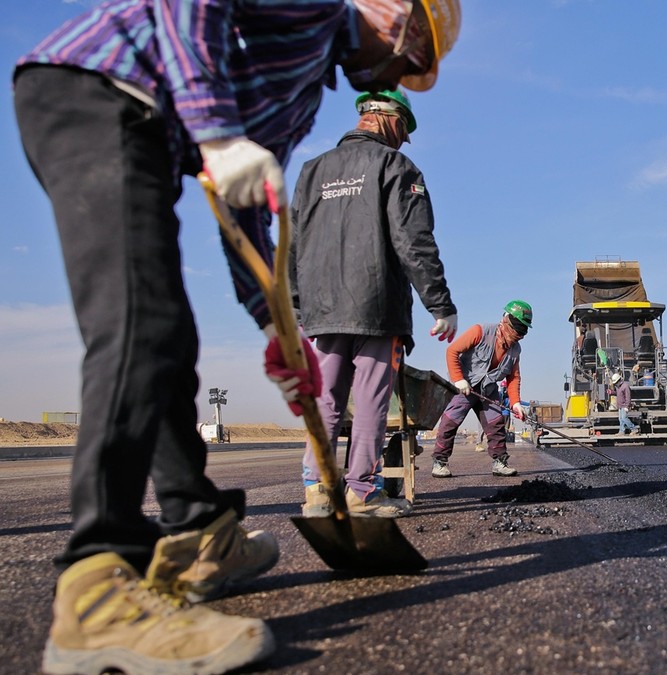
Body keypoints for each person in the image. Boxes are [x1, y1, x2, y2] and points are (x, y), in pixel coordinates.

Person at [12, 0, 460, 672]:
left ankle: (197, 531)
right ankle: (96, 593)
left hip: (147, 127)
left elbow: (246, 198)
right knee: (141, 327)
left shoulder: (307, 88)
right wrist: (218, 134)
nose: (398, 69)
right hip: (98, 89)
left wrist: (273, 323)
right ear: (395, 15)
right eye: (412, 53)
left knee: (169, 339)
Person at [290, 88, 457, 519]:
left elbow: (292, 244)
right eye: (404, 129)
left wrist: (296, 304)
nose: (404, 140)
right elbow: (413, 241)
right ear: (388, 118)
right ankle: (361, 492)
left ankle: (317, 491)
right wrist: (439, 304)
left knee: (325, 398)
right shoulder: (395, 166)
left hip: (322, 310)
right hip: (376, 306)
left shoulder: (311, 171)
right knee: (370, 401)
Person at [431, 301, 533, 478]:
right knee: (450, 422)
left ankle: (500, 463)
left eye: (522, 331)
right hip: (465, 386)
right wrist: (458, 379)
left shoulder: (516, 349)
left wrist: (516, 403)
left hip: (488, 390)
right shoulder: (480, 331)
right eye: (516, 330)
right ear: (505, 321)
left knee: (496, 425)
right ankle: (439, 462)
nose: (518, 335)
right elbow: (452, 351)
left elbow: (513, 377)